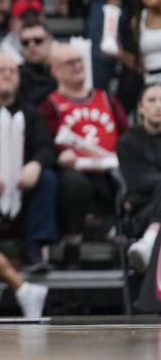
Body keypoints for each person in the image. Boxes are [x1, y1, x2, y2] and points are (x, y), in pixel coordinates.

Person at [0, 52, 58, 282]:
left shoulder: (29, 111)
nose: (8, 75)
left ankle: (34, 247)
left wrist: (35, 165)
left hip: (21, 185)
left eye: (13, 71)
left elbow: (46, 147)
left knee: (47, 178)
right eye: (1, 70)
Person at [39, 42, 128, 268]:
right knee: (75, 184)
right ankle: (73, 245)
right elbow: (42, 142)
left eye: (79, 60)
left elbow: (126, 134)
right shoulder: (50, 105)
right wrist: (60, 156)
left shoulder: (106, 98)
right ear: (55, 71)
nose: (78, 66)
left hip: (109, 168)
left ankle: (122, 238)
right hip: (73, 172)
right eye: (70, 63)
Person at [118, 84, 161, 272]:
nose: (159, 106)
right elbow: (138, 182)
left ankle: (149, 242)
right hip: (143, 211)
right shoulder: (127, 142)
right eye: (152, 100)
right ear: (141, 108)